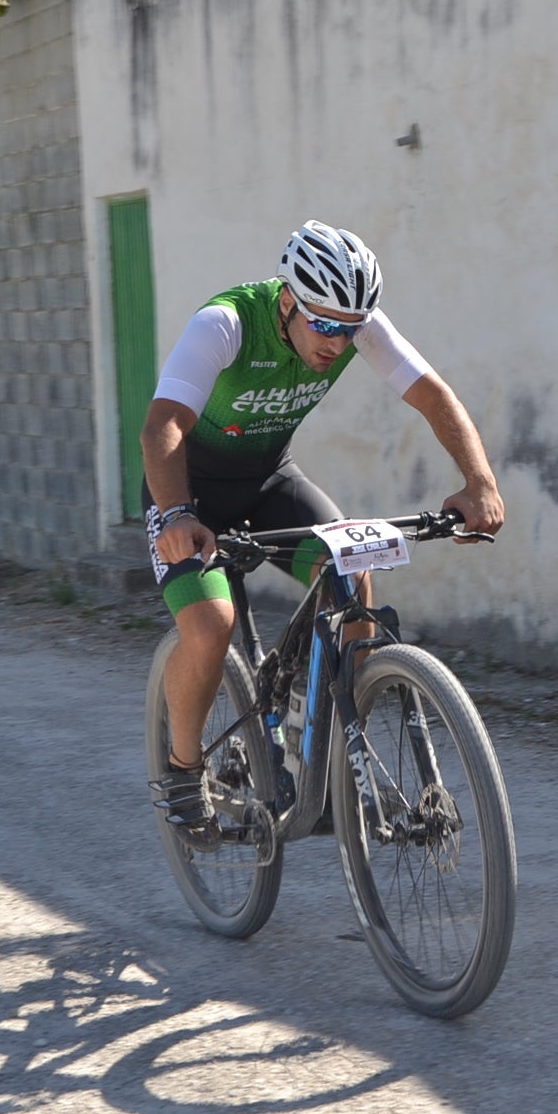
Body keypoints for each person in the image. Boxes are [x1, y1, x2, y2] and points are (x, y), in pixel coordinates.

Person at [140, 221, 504, 845]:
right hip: (188, 492)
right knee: (209, 626)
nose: (337, 341)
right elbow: (162, 427)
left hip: (268, 479)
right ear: (288, 302)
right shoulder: (225, 324)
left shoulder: (354, 323)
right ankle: (181, 771)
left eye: (349, 327)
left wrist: (480, 481)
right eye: (325, 325)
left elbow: (433, 395)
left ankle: (320, 754)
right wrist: (176, 515)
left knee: (351, 574)